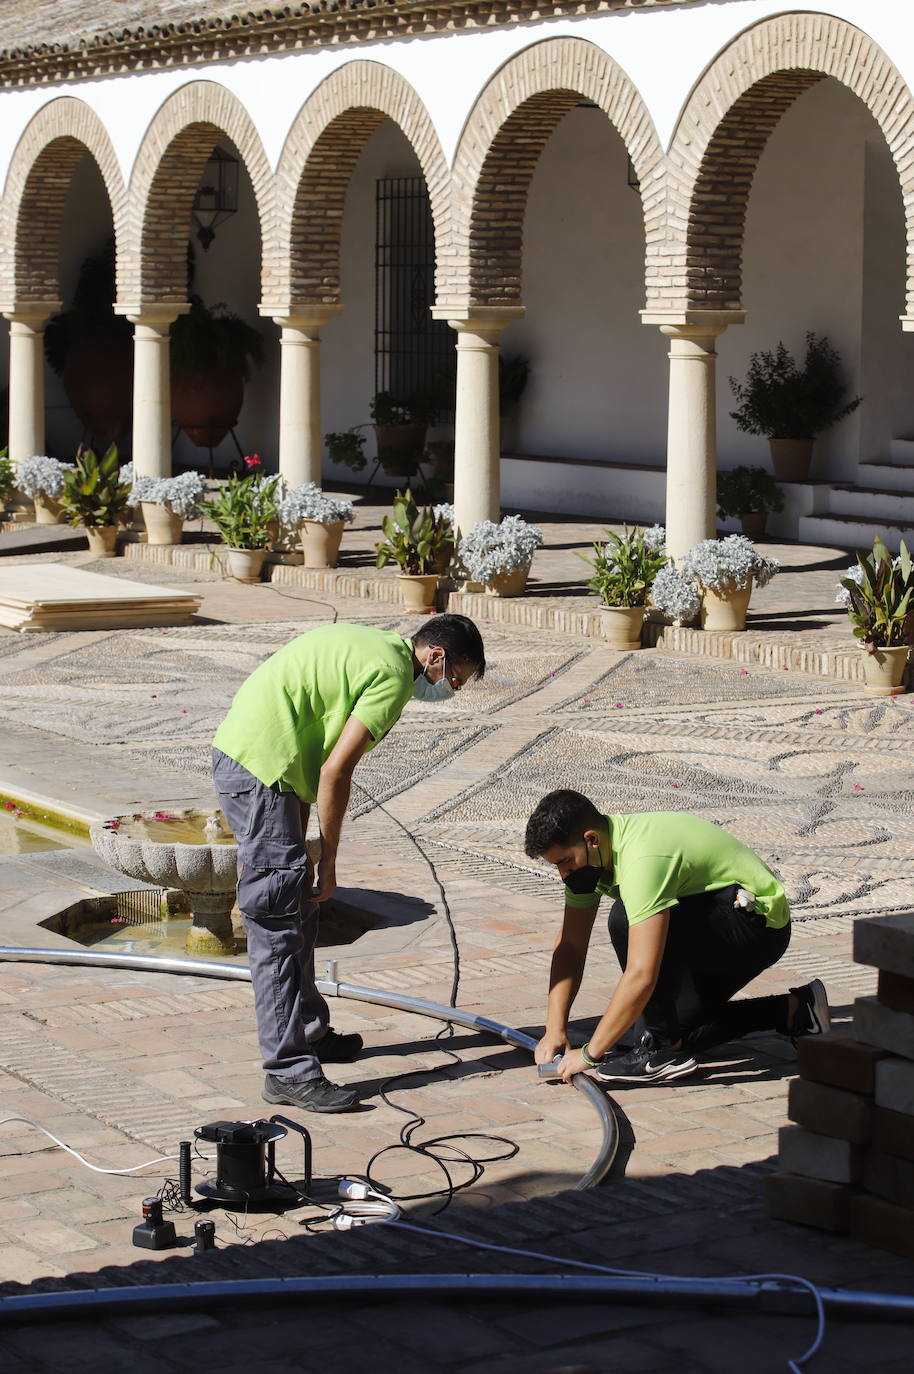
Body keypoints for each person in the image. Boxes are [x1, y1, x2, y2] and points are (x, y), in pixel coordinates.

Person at [211, 613, 486, 1113]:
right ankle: (287, 1070)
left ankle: (311, 1033)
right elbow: (337, 770)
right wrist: (329, 856)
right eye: (456, 680)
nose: (450, 689)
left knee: (302, 906)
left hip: (262, 757)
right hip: (263, 769)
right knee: (278, 919)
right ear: (437, 657)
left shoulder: (379, 646)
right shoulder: (394, 677)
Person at [524, 789, 829, 1084]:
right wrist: (554, 1029)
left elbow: (642, 973)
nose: (563, 874)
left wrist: (591, 1055)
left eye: (565, 862)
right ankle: (796, 1010)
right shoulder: (592, 859)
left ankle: (656, 1051)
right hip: (710, 920)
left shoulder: (642, 859)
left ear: (591, 839)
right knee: (677, 1035)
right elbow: (571, 947)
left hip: (757, 926)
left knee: (625, 919)